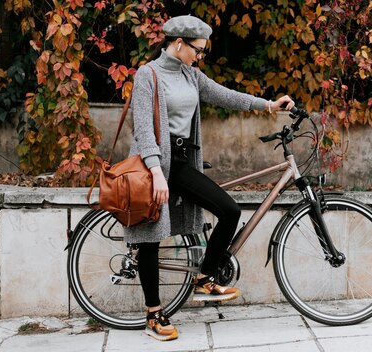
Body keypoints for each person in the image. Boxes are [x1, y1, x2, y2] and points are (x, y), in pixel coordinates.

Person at [125, 15, 295, 341]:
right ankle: (153, 315)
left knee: (229, 210)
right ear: (179, 43)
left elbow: (225, 95)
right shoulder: (148, 75)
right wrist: (156, 172)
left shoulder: (191, 75)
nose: (199, 55)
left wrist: (269, 105)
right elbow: (144, 129)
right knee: (150, 235)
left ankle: (204, 277)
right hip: (156, 164)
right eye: (197, 50)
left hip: (183, 161)